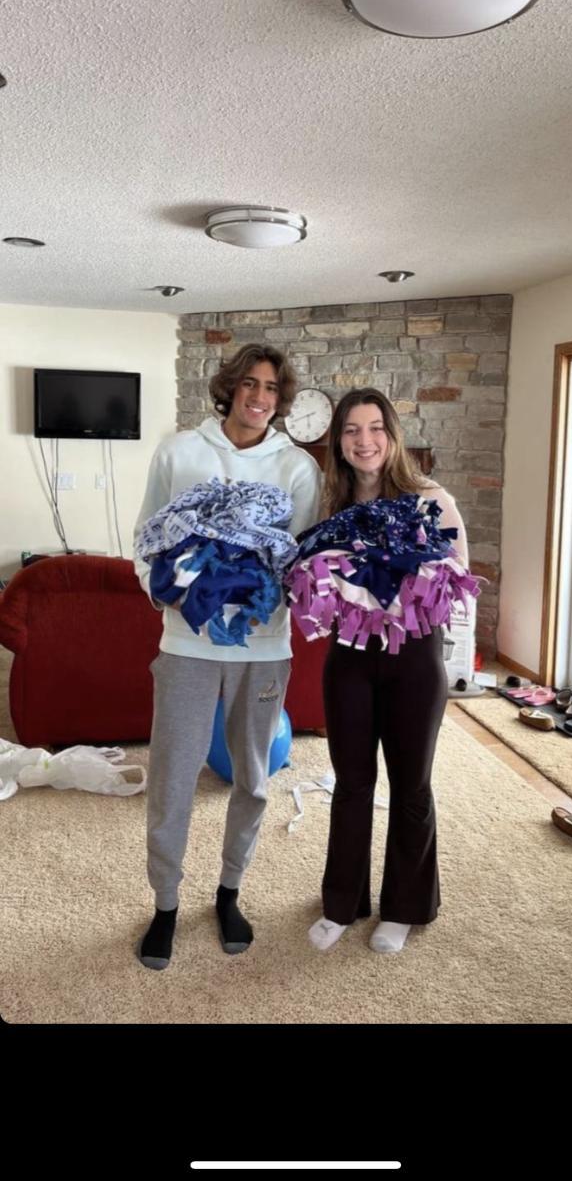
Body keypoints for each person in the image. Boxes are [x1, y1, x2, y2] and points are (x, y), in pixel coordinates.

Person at [133, 344, 322, 968]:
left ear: (280, 399)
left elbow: (297, 560)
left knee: (253, 778)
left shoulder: (297, 467)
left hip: (264, 649)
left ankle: (229, 892)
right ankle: (165, 904)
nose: (259, 397)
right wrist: (170, 591)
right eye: (249, 384)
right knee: (172, 778)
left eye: (270, 388)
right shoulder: (179, 452)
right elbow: (145, 539)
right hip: (186, 645)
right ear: (229, 389)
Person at [306, 387, 469, 955]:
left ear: (392, 436)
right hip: (349, 661)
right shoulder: (330, 507)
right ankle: (342, 902)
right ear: (338, 442)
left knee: (411, 784)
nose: (365, 440)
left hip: (415, 661)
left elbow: (458, 580)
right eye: (352, 430)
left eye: (375, 427)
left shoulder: (432, 499)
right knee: (351, 783)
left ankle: (405, 907)